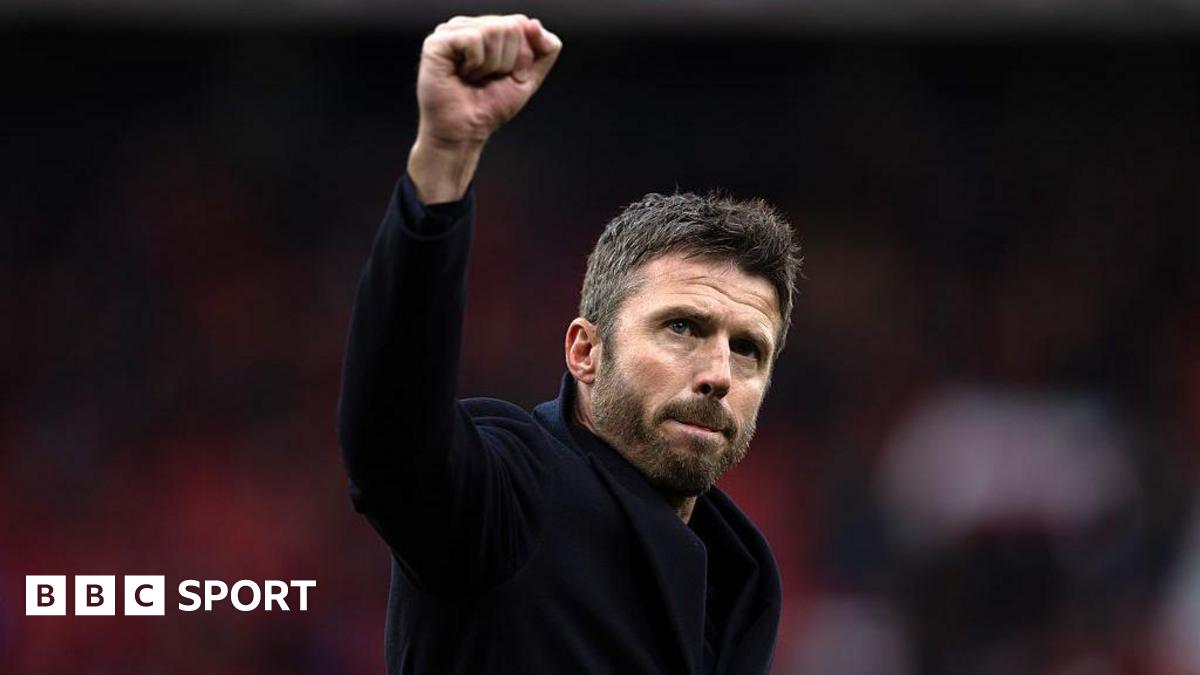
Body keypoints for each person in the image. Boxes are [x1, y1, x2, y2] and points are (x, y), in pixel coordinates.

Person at [337, 14, 801, 675]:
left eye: (748, 348)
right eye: (682, 327)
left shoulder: (741, 577)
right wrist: (443, 160)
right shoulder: (515, 492)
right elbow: (392, 443)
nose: (718, 373)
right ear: (586, 351)